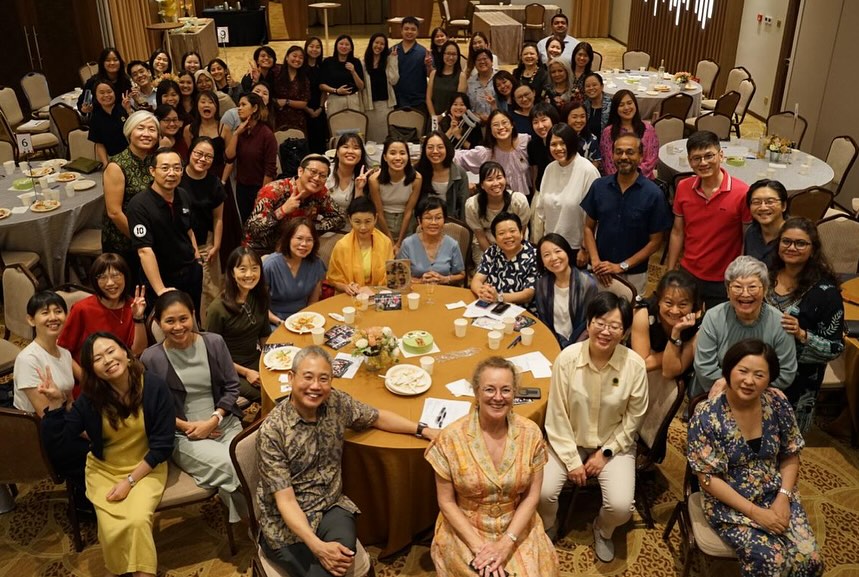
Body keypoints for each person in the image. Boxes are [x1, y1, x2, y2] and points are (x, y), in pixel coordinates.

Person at [256, 346, 438, 577]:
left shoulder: (336, 402)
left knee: (341, 562)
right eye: (308, 377)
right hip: (285, 524)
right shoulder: (272, 432)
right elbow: (286, 502)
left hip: (331, 506)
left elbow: (377, 417)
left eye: (324, 379)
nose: (315, 386)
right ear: (291, 378)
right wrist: (318, 547)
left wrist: (423, 430)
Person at [39, 332, 176, 577]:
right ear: (92, 370)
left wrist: (129, 482)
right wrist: (57, 405)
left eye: (111, 351)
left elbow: (162, 447)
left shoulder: (154, 387)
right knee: (112, 528)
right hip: (104, 470)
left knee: (137, 520)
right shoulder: (90, 399)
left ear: (125, 352)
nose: (108, 360)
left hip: (145, 467)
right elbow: (60, 444)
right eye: (98, 358)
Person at [687, 339, 824, 577]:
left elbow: (791, 453)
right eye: (743, 371)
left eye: (759, 375)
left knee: (809, 559)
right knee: (771, 560)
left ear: (769, 378)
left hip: (775, 493)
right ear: (728, 370)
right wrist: (755, 512)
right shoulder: (707, 415)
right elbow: (707, 478)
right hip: (730, 504)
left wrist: (784, 496)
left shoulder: (777, 403)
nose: (749, 381)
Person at [426, 357, 560, 577]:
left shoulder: (531, 433)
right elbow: (447, 502)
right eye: (489, 389)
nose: (498, 397)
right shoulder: (451, 437)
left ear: (515, 393)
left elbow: (531, 497)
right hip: (466, 526)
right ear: (476, 392)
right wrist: (480, 548)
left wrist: (507, 543)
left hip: (515, 523)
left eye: (506, 390)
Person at [539, 292, 648, 560]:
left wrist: (606, 453)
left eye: (615, 326)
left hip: (613, 444)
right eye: (600, 322)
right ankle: (549, 524)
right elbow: (556, 415)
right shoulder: (567, 359)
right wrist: (571, 460)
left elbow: (633, 420)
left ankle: (603, 528)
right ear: (588, 323)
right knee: (542, 493)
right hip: (568, 439)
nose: (606, 331)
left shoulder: (634, 366)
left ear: (625, 332)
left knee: (621, 508)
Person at [141, 290, 247, 524]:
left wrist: (214, 420)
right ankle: (259, 524)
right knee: (232, 466)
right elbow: (153, 409)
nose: (178, 327)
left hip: (224, 422)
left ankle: (251, 520)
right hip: (183, 434)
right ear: (158, 323)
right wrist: (187, 426)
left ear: (193, 315)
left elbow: (232, 387)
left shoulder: (214, 343)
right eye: (170, 321)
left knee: (247, 460)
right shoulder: (151, 358)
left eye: (183, 318)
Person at [767, 217, 845, 432]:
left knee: (784, 444)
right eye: (786, 241)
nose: (792, 247)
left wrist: (801, 334)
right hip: (754, 375)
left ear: (813, 249)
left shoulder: (826, 293)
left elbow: (834, 348)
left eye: (800, 243)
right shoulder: (763, 278)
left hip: (797, 386)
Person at [692, 255, 797, 399]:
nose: (745, 294)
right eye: (737, 287)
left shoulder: (780, 323)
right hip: (717, 393)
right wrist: (734, 387)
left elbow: (786, 372)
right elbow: (705, 367)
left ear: (765, 290)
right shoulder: (713, 317)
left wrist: (749, 387)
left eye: (752, 287)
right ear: (727, 291)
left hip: (762, 396)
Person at [667, 130, 752, 309]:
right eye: (696, 158)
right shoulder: (683, 187)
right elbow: (677, 231)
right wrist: (670, 269)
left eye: (709, 156)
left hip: (725, 277)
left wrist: (740, 276)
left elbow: (747, 239)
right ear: (689, 161)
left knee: (719, 324)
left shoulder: (742, 192)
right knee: (684, 319)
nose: (703, 163)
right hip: (688, 272)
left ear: (721, 155)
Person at [582, 133, 673, 294]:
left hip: (634, 274)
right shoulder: (599, 186)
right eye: (619, 152)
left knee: (631, 309)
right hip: (600, 270)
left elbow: (656, 242)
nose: (624, 157)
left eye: (630, 152)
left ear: (640, 156)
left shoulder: (653, 194)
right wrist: (595, 261)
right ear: (612, 155)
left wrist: (622, 266)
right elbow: (588, 227)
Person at [127, 148, 204, 315]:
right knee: (165, 323)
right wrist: (161, 290)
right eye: (165, 168)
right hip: (162, 277)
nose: (172, 173)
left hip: (190, 272)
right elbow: (144, 251)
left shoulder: (183, 195)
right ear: (152, 171)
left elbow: (189, 230)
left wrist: (198, 259)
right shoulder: (139, 205)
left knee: (192, 316)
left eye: (177, 168)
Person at [206, 247, 271, 403]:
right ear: (232, 272)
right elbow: (212, 354)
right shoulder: (217, 308)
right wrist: (246, 372)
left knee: (282, 383)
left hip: (254, 358)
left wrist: (271, 360)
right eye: (243, 269)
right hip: (228, 368)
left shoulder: (260, 296)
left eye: (254, 268)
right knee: (266, 394)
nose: (249, 274)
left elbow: (264, 335)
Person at [245, 153, 344, 254]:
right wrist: (282, 211)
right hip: (264, 250)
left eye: (322, 176)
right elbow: (254, 230)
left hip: (296, 248)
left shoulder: (320, 193)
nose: (317, 178)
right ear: (300, 171)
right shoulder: (273, 191)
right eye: (313, 172)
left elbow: (340, 218)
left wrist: (309, 227)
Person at [59, 253, 148, 363]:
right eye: (102, 277)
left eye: (116, 275)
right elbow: (62, 351)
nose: (110, 283)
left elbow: (137, 352)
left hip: (121, 368)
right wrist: (82, 373)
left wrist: (138, 318)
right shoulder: (82, 308)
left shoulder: (132, 306)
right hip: (88, 369)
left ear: (125, 276)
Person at [102, 110, 159, 270]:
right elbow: (114, 212)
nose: (146, 134)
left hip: (151, 237)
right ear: (129, 132)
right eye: (140, 128)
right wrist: (142, 239)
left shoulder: (153, 160)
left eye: (152, 129)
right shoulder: (116, 166)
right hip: (125, 243)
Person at [535, 123, 600, 258]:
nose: (558, 148)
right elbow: (542, 208)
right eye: (553, 144)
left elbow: (594, 216)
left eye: (562, 143)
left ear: (572, 143)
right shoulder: (550, 169)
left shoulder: (588, 171)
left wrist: (585, 248)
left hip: (577, 247)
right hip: (552, 244)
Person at [181, 137, 226, 320]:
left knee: (210, 290)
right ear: (190, 153)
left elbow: (218, 218)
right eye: (199, 153)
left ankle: (209, 328)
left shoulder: (214, 183)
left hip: (206, 243)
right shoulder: (177, 178)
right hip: (179, 243)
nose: (202, 159)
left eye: (208, 156)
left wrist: (216, 245)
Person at [630, 270, 702, 382]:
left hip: (675, 379)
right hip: (637, 371)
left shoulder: (699, 325)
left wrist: (676, 332)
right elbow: (642, 364)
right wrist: (678, 351)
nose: (674, 311)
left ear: (693, 305)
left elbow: (670, 372)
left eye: (682, 304)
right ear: (658, 300)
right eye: (668, 303)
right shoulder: (644, 311)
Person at [535, 233, 599, 348]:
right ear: (542, 262)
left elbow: (589, 323)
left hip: (581, 344)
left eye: (558, 251)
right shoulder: (542, 285)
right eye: (546, 255)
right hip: (551, 340)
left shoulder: (587, 284)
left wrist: (571, 349)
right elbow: (544, 321)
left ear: (567, 252)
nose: (554, 258)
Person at [224, 92, 278, 223]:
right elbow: (229, 157)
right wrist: (236, 134)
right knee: (245, 224)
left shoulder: (267, 134)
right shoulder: (241, 130)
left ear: (254, 108)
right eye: (239, 105)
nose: (239, 108)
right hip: (242, 187)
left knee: (258, 224)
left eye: (243, 105)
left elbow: (270, 170)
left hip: (259, 188)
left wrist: (262, 196)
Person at [465, 161, 531, 265]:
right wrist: (496, 259)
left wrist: (509, 256)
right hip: (485, 246)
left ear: (505, 179)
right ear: (482, 185)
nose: (496, 183)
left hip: (516, 243)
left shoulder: (518, 200)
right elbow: (480, 236)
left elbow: (521, 233)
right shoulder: (472, 205)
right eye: (490, 179)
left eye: (499, 178)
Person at [264, 217, 327, 326]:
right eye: (299, 238)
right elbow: (260, 306)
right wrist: (280, 322)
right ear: (288, 239)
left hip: (304, 319)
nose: (304, 244)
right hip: (274, 321)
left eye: (309, 240)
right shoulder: (271, 265)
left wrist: (307, 321)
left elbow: (313, 301)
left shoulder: (316, 264)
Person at [456, 109, 532, 198]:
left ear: (512, 125)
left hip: (527, 198)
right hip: (498, 200)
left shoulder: (525, 142)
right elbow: (457, 158)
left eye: (504, 123)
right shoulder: (486, 153)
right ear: (490, 130)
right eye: (496, 125)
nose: (501, 127)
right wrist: (464, 183)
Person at [327, 196, 393, 296]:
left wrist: (373, 289)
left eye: (368, 221)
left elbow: (390, 276)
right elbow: (334, 279)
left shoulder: (385, 242)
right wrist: (346, 287)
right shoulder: (342, 246)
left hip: (379, 295)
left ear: (375, 218)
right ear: (350, 219)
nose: (363, 227)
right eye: (357, 222)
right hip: (351, 297)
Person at [471, 212, 538, 309]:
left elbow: (528, 294)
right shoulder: (492, 251)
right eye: (501, 233)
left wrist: (499, 297)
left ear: (521, 233)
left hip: (522, 311)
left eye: (512, 231)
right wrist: (482, 292)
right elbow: (477, 280)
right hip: (493, 306)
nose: (508, 236)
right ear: (495, 238)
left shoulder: (534, 256)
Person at [397, 196, 466, 286]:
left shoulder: (452, 244)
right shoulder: (407, 244)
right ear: (419, 221)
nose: (433, 222)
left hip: (444, 290)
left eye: (438, 218)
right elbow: (399, 277)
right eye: (428, 218)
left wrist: (445, 279)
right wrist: (420, 281)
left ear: (444, 220)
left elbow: (461, 275)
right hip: (416, 291)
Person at [368, 137, 422, 246]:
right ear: (385, 157)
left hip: (406, 224)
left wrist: (400, 242)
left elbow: (408, 211)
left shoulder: (416, 179)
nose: (398, 158)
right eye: (392, 153)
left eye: (402, 153)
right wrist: (391, 242)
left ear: (408, 156)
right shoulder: (374, 180)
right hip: (382, 224)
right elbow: (379, 213)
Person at [599, 90, 659, 179]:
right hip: (616, 182)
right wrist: (622, 180)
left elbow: (651, 160)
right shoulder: (608, 132)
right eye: (621, 105)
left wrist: (634, 179)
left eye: (629, 103)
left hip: (644, 181)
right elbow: (608, 164)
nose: (626, 108)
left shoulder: (648, 129)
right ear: (615, 108)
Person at [416, 130, 469, 220]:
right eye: (430, 147)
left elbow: (463, 206)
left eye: (440, 147)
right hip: (425, 222)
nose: (435, 151)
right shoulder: (418, 172)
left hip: (452, 222)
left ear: (447, 149)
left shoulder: (459, 173)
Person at [388, 16, 433, 115]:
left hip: (418, 100)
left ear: (417, 32)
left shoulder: (423, 52)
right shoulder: (392, 51)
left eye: (413, 29)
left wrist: (428, 66)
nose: (409, 32)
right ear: (401, 30)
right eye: (406, 29)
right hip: (396, 100)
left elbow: (430, 75)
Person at [325, 133, 370, 223]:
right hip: (324, 224)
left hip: (351, 225)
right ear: (337, 152)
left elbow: (360, 213)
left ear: (361, 154)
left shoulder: (365, 177)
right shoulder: (325, 171)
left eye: (356, 148)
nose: (350, 151)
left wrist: (359, 189)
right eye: (345, 147)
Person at [362, 32, 397, 143]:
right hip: (369, 107)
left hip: (385, 106)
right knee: (370, 139)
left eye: (382, 44)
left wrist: (393, 60)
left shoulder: (388, 61)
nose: (379, 46)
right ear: (371, 43)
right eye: (376, 42)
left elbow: (394, 80)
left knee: (385, 138)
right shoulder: (363, 63)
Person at [745, 179, 788, 266]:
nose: (763, 207)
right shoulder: (751, 232)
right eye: (756, 202)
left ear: (783, 206)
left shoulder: (794, 235)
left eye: (770, 202)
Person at [88, 79, 130, 166]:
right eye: (102, 93)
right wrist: (106, 164)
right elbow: (99, 144)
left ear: (114, 93)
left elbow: (136, 129)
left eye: (109, 91)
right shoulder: (96, 117)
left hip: (132, 155)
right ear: (95, 96)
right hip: (113, 159)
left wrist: (128, 110)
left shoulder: (124, 108)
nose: (106, 95)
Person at [78, 47, 132, 114]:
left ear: (120, 62)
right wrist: (84, 109)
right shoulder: (93, 82)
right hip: (100, 117)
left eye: (115, 60)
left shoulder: (126, 80)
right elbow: (81, 104)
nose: (112, 63)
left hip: (123, 117)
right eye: (108, 60)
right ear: (102, 63)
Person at [320, 35, 365, 115]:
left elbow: (361, 86)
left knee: (354, 122)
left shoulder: (356, 62)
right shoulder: (328, 62)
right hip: (334, 100)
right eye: (341, 44)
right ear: (336, 46)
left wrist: (353, 72)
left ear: (351, 48)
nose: (344, 46)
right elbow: (321, 85)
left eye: (347, 44)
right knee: (335, 122)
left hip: (352, 100)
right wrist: (336, 91)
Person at [427, 40, 467, 122]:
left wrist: (442, 116)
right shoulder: (433, 74)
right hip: (433, 118)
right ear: (442, 54)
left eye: (454, 54)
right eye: (448, 54)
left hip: (452, 119)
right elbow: (428, 98)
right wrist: (434, 117)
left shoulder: (461, 76)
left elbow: (458, 104)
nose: (451, 57)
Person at [272, 46, 310, 131]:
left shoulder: (304, 79)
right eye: (294, 56)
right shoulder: (277, 70)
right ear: (287, 57)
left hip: (297, 120)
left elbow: (304, 103)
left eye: (301, 58)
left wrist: (287, 102)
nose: (297, 59)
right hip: (277, 117)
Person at [303, 37, 329, 154]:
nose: (314, 49)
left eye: (318, 47)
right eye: (311, 46)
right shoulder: (301, 67)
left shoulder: (322, 66)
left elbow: (323, 90)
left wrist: (321, 108)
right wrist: (307, 109)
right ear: (306, 48)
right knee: (307, 142)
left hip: (319, 109)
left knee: (320, 142)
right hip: (303, 109)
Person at [528, 103, 560, 194]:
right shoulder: (533, 145)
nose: (540, 126)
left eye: (544, 120)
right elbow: (535, 171)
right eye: (535, 122)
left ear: (553, 119)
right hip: (542, 190)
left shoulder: (564, 141)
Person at [565, 100, 601, 167]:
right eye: (574, 117)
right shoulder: (559, 137)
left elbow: (596, 161)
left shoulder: (592, 139)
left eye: (582, 116)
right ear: (566, 118)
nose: (579, 120)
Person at [466, 48, 495, 123]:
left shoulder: (500, 78)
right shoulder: (470, 82)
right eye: (478, 60)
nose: (482, 62)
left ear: (492, 61)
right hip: (475, 123)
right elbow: (466, 106)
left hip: (498, 123)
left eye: (485, 59)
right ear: (475, 64)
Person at [583, 72, 611, 137]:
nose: (591, 88)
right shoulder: (584, 106)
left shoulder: (611, 106)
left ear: (602, 86)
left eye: (594, 85)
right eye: (588, 86)